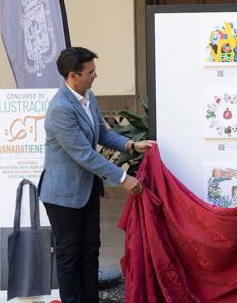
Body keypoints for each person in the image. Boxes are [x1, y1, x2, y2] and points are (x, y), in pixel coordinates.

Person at [39, 47, 155, 303]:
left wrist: (132, 145)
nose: (95, 76)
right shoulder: (60, 108)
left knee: (90, 250)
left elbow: (102, 133)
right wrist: (123, 178)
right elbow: (84, 154)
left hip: (87, 189)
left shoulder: (87, 96)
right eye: (90, 72)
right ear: (72, 75)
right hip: (62, 196)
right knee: (69, 254)